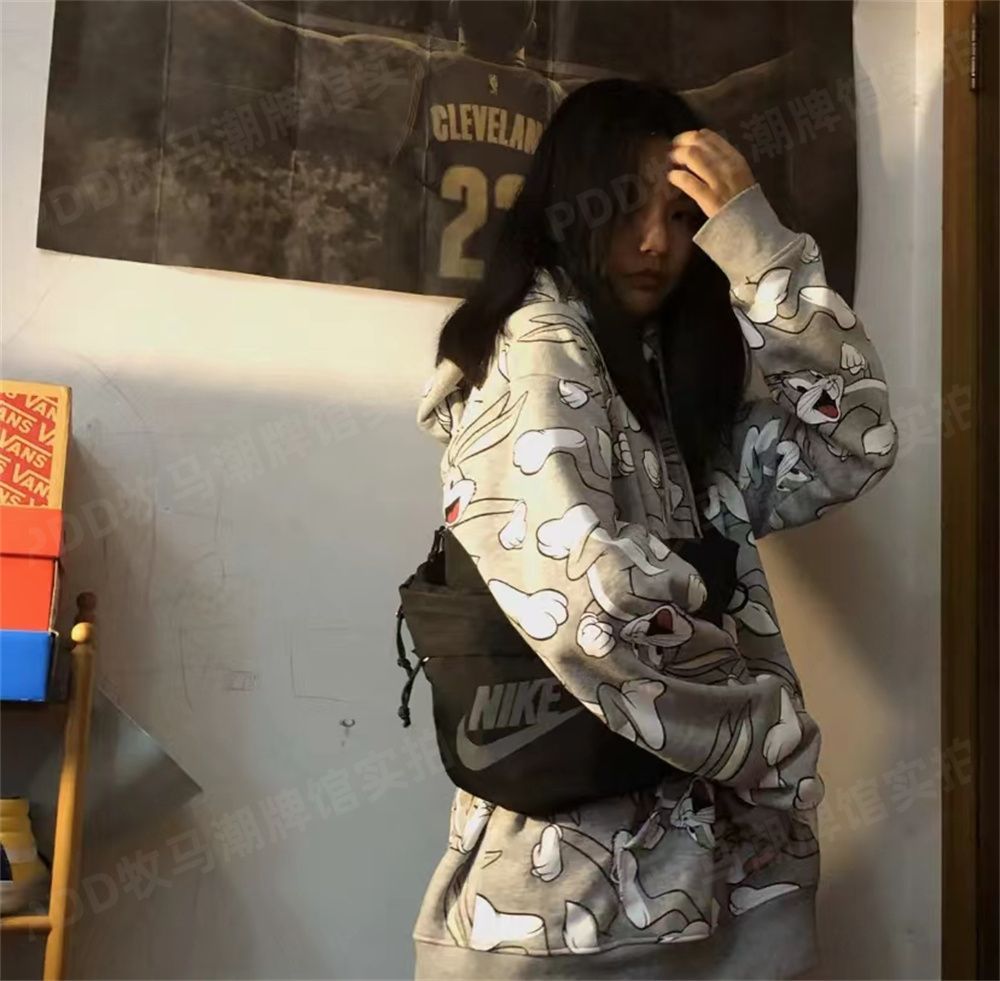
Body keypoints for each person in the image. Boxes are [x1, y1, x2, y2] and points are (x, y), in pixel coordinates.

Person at [412, 78, 897, 980]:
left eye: (681, 218)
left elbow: (852, 443)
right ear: (571, 204)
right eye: (628, 209)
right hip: (576, 910)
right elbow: (592, 613)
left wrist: (756, 247)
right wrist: (768, 733)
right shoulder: (540, 348)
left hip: (708, 884)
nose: (655, 243)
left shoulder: (665, 373)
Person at [382, 0, 564, 296]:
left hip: (434, 291)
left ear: (455, 13)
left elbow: (400, 186)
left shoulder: (427, 74)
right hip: (514, 302)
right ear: (530, 33)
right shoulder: (549, 99)